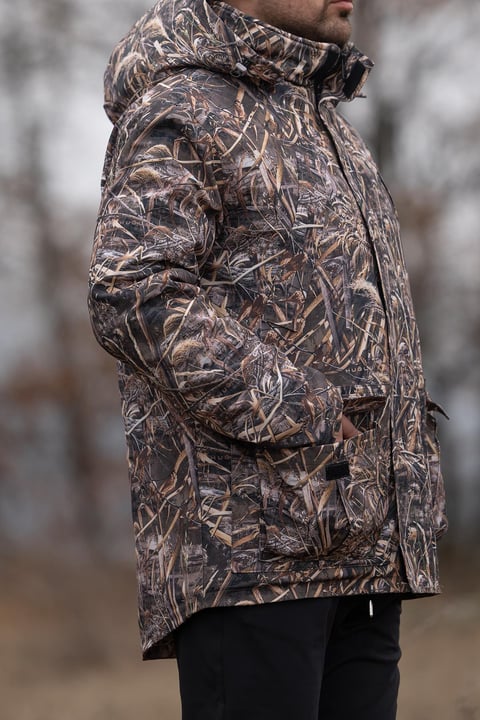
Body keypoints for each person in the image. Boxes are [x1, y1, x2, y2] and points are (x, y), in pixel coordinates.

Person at [88, 0, 448, 717]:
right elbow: (133, 291)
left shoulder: (323, 121)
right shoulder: (183, 106)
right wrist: (303, 407)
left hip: (361, 545)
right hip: (253, 559)